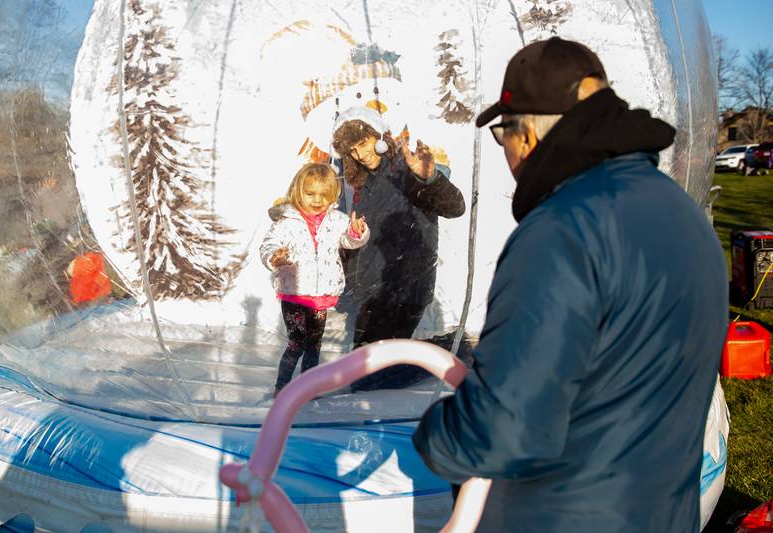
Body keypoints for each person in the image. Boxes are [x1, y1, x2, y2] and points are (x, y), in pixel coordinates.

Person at [412, 37, 728, 532]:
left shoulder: (563, 233)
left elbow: (504, 431)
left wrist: (436, 432)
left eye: (504, 136)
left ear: (529, 135)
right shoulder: (681, 215)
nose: (508, 155)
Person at [331, 106, 466, 391]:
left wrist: (428, 177)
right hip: (374, 292)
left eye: (363, 142)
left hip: (406, 286)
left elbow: (455, 206)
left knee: (370, 378)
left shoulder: (406, 169)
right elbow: (366, 239)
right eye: (352, 149)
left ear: (377, 135)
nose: (360, 153)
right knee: (364, 374)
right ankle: (440, 350)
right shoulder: (363, 183)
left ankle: (447, 350)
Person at [260, 163, 369, 397]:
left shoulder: (336, 220)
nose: (317, 200)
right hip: (295, 293)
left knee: (314, 344)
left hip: (320, 296)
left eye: (324, 195)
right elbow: (268, 245)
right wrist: (274, 257)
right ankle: (282, 387)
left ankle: (309, 387)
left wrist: (357, 232)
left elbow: (349, 241)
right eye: (311, 194)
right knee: (296, 341)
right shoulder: (286, 221)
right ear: (299, 192)